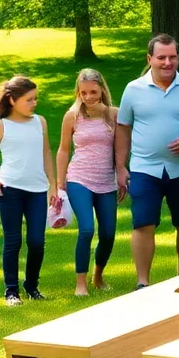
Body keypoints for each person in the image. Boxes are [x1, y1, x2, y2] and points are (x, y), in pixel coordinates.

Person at [116, 34, 179, 288]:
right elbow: (123, 128)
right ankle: (143, 282)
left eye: (172, 57)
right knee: (143, 222)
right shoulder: (133, 89)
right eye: (161, 57)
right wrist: (121, 167)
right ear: (150, 58)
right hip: (144, 168)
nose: (167, 62)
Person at [0, 76, 57, 306]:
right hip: (9, 190)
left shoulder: (40, 122)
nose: (34, 103)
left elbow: (46, 153)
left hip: (37, 190)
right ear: (12, 100)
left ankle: (32, 286)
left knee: (37, 241)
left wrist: (52, 184)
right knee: (13, 241)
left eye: (35, 98)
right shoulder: (0, 125)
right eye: (29, 99)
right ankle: (11, 291)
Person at [56, 69, 121, 296]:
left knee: (108, 234)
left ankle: (98, 276)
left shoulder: (114, 114)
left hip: (107, 181)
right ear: (78, 93)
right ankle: (80, 283)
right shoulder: (71, 116)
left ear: (102, 90)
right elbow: (63, 150)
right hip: (79, 178)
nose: (89, 97)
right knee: (86, 229)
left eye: (93, 91)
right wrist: (59, 182)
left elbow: (121, 149)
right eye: (83, 93)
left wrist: (122, 174)